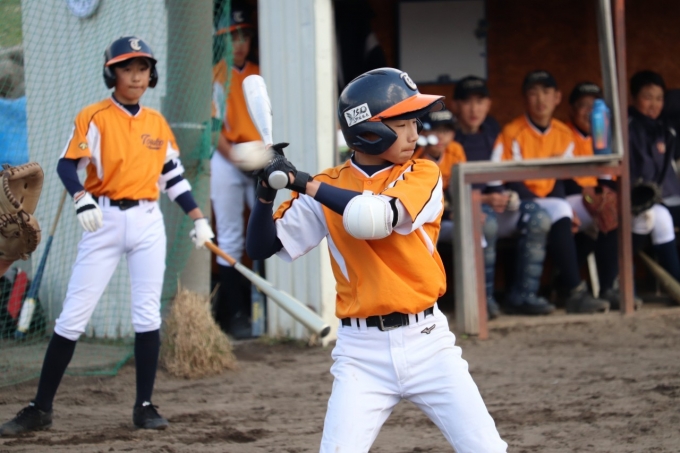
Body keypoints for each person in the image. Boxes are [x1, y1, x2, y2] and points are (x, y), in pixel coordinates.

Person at [246, 68, 507, 452]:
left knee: (487, 449)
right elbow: (261, 247)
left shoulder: (424, 172)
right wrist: (266, 192)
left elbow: (375, 217)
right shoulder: (328, 183)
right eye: (401, 125)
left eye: (414, 123)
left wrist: (301, 182)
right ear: (367, 130)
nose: (414, 134)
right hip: (360, 353)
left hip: (428, 343)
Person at [0, 36, 215, 436]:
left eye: (142, 68)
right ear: (111, 74)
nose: (135, 76)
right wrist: (81, 198)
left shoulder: (156, 122)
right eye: (126, 68)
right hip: (104, 219)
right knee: (73, 317)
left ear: (151, 74)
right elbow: (67, 166)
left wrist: (199, 219)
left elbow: (173, 178)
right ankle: (40, 407)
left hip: (148, 221)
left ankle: (144, 406)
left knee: (147, 314)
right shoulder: (94, 116)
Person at [492, 70, 609, 314]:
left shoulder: (563, 133)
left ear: (557, 97)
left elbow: (560, 180)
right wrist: (555, 207)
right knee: (557, 210)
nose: (540, 99)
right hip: (513, 204)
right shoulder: (512, 131)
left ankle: (607, 286)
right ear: (525, 98)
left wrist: (563, 207)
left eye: (546, 92)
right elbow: (505, 180)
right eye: (534, 93)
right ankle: (574, 291)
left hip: (548, 201)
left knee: (603, 208)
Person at [455, 76, 556, 316]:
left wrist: (507, 196)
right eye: (467, 102)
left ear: (488, 104)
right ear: (455, 105)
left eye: (480, 101)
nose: (474, 109)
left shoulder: (494, 132)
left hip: (496, 206)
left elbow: (506, 175)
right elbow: (442, 188)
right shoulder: (447, 137)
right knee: (486, 223)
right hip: (465, 210)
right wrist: (482, 200)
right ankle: (484, 300)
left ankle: (524, 295)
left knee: (538, 218)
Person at [211, 6, 261, 338]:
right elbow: (212, 127)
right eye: (232, 37)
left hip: (261, 157)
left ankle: (263, 310)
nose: (239, 43)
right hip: (227, 156)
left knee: (268, 233)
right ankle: (237, 315)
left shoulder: (261, 71)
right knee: (230, 237)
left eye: (243, 35)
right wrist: (235, 158)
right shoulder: (215, 75)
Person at [564, 82, 625, 308]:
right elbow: (562, 178)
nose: (590, 112)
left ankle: (610, 287)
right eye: (583, 105)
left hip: (594, 199)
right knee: (604, 209)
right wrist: (591, 197)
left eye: (594, 106)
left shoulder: (605, 136)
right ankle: (603, 286)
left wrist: (601, 196)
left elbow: (609, 178)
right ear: (572, 109)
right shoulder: (564, 133)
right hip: (572, 196)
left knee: (610, 208)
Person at [628, 70, 680, 283]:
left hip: (670, 197)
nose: (654, 105)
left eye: (659, 98)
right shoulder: (628, 127)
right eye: (647, 97)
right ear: (633, 98)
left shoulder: (665, 128)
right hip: (640, 202)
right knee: (660, 217)